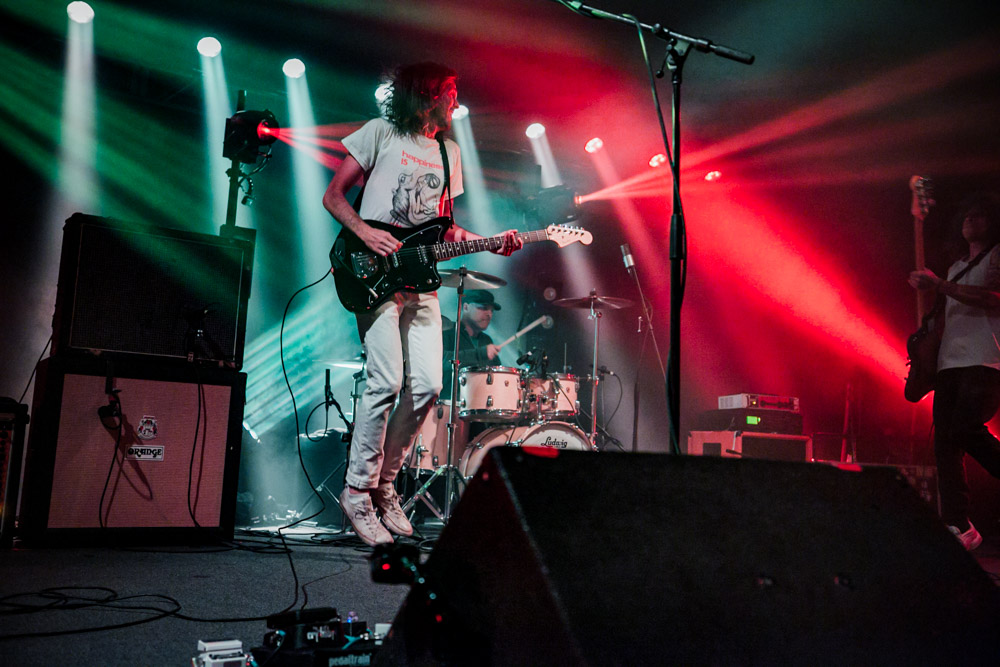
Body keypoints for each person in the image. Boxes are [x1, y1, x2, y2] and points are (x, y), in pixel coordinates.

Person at [322, 62, 522, 546]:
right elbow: (334, 196)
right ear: (428, 95)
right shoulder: (380, 133)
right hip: (371, 273)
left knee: (429, 387)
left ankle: (384, 485)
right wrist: (365, 232)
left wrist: (488, 241)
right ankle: (356, 491)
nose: (455, 102)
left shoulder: (447, 151)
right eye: (450, 92)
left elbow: (444, 228)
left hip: (421, 283)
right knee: (386, 380)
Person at [909, 192, 1000, 551]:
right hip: (950, 363)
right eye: (967, 215)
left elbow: (991, 298)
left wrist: (940, 286)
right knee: (946, 446)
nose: (970, 221)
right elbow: (946, 317)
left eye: (979, 216)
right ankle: (959, 525)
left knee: (965, 429)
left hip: (985, 360)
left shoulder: (996, 256)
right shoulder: (954, 267)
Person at [440, 289, 506, 399]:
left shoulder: (486, 340)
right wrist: (480, 353)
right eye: (484, 308)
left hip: (480, 405)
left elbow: (497, 373)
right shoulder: (448, 332)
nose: (489, 314)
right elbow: (441, 361)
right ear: (465, 307)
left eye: (491, 311)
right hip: (448, 404)